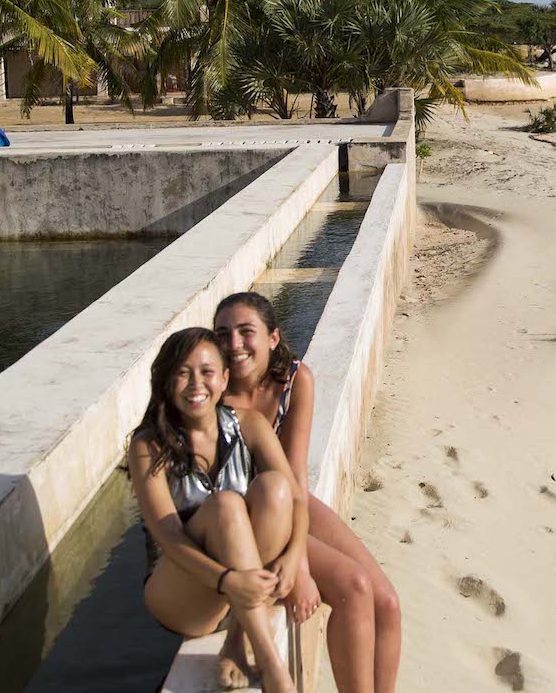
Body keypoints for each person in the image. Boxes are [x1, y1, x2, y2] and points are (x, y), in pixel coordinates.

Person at [214, 291, 402, 693]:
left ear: (273, 338)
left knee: (386, 603)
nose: (234, 345)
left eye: (246, 332)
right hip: (244, 518)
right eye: (223, 334)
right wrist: (296, 570)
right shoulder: (212, 392)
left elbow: (295, 473)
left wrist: (297, 561)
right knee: (354, 588)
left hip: (288, 498)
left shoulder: (294, 380)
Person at [129, 326, 309, 692]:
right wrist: (227, 580)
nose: (197, 384)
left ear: (224, 378)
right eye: (182, 373)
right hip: (181, 592)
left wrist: (294, 555)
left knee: (275, 487)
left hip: (243, 586)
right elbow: (169, 537)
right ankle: (274, 669)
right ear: (165, 381)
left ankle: (237, 640)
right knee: (226, 505)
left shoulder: (250, 425)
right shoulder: (149, 445)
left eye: (207, 372)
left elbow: (296, 499)